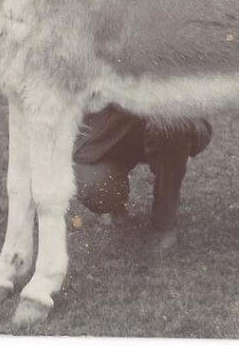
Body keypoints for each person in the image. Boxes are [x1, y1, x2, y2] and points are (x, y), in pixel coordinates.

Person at [73, 106, 212, 251]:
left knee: (171, 123)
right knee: (90, 182)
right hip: (111, 129)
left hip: (166, 118)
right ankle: (115, 206)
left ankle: (164, 221)